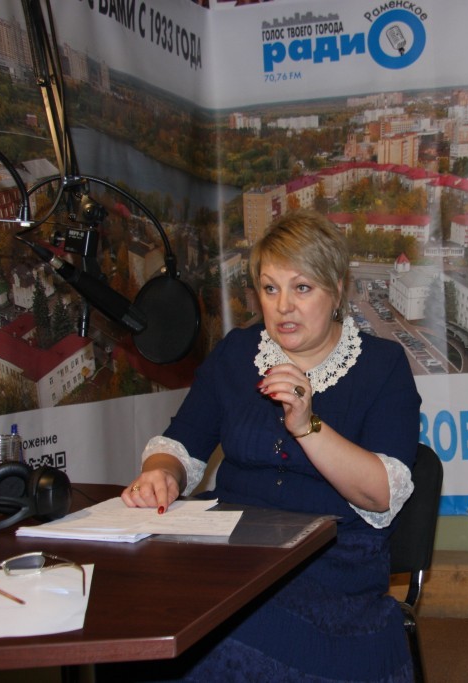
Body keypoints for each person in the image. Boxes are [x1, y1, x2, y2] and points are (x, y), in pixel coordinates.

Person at [122, 210, 422, 682]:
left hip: (329, 565)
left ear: (336, 289)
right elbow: (180, 445)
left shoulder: (381, 366)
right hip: (230, 552)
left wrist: (307, 425)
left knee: (218, 634)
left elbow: (380, 493)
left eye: (302, 288)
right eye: (269, 288)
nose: (283, 306)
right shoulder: (237, 354)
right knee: (141, 611)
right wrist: (161, 473)